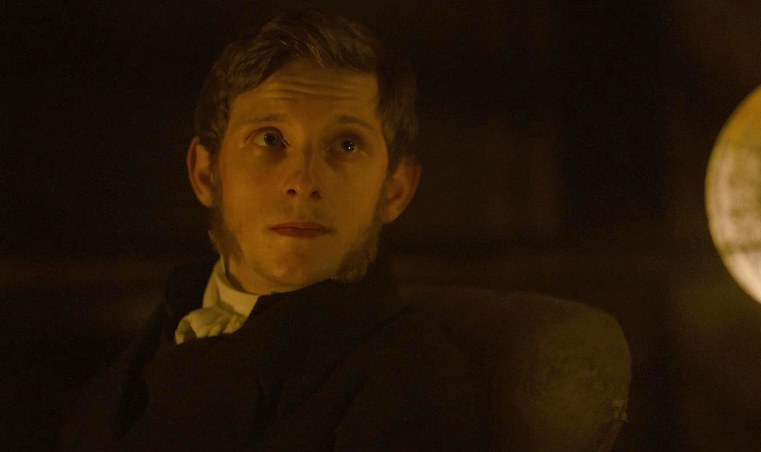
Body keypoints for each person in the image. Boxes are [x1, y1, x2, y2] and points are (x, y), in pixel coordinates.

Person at [62, 8, 489, 450]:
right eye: (269, 138)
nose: (302, 182)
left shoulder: (417, 387)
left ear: (396, 190)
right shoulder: (144, 347)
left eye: (347, 145)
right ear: (206, 175)